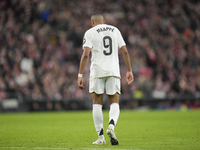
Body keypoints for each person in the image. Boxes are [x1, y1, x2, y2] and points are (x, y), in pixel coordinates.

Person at [77, 12, 134, 145]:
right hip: (113, 70)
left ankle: (101, 138)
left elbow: (86, 54)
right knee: (114, 102)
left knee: (97, 103)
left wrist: (80, 75)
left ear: (92, 22)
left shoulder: (90, 32)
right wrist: (129, 70)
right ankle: (111, 127)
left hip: (97, 71)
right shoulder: (115, 30)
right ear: (104, 21)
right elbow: (125, 51)